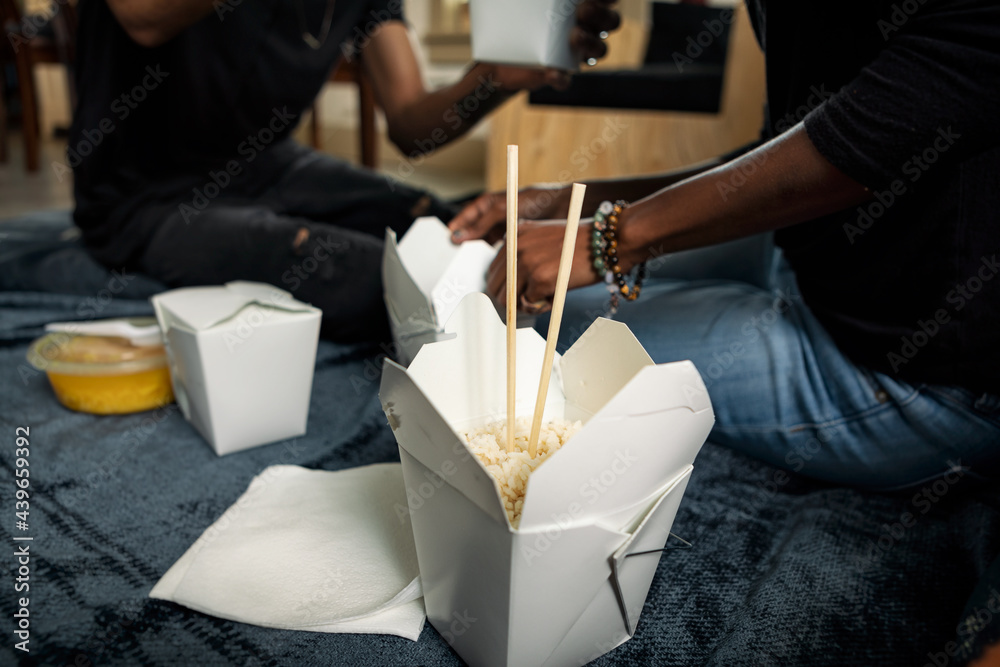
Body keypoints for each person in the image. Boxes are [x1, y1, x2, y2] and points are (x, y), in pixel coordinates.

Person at [448, 0, 1000, 490]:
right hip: (807, 254)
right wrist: (573, 201)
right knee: (522, 303)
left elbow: (860, 143)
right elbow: (786, 149)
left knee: (543, 332)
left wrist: (607, 238)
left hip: (914, 373)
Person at [68, 0, 620, 341]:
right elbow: (140, 15)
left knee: (449, 226)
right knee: (376, 280)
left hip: (267, 164)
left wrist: (495, 76)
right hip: (143, 195)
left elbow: (410, 122)